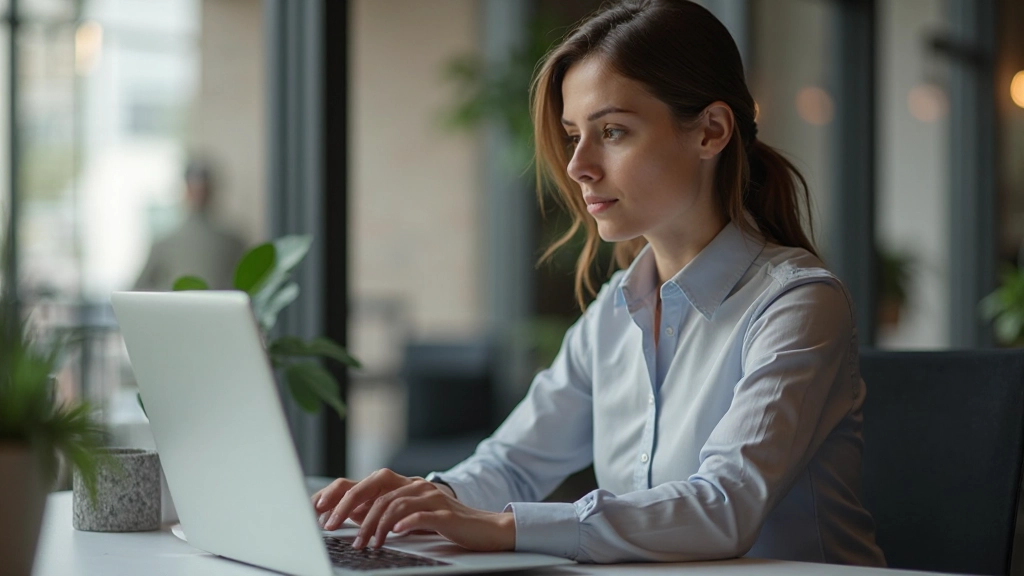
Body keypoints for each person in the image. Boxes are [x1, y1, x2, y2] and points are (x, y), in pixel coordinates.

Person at [312, 0, 887, 566]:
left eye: (612, 131)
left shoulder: (797, 303)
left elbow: (723, 508)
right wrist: (422, 501)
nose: (578, 165)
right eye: (572, 134)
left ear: (711, 131)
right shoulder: (615, 313)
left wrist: (503, 527)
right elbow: (511, 464)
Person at [133, 159, 246, 291]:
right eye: (194, 188)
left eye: (203, 189)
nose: (198, 194)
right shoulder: (164, 243)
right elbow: (139, 289)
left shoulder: (232, 242)